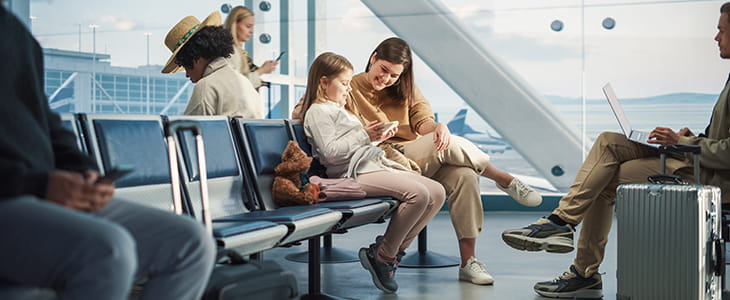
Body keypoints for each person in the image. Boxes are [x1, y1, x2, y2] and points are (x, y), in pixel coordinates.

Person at [500, 3, 730, 298]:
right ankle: (564, 231)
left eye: (721, 30)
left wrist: (683, 143)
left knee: (605, 177)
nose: (715, 38)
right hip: (700, 163)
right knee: (609, 142)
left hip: (713, 180)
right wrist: (690, 137)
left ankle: (573, 251)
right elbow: (720, 138)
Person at [0, 5, 216, 300]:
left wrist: (85, 172)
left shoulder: (16, 35)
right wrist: (38, 185)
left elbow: (45, 122)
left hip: (42, 189)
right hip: (14, 192)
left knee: (192, 242)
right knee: (107, 250)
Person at [294, 37, 542, 284]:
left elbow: (423, 122)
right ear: (373, 59)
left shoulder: (406, 88)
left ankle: (468, 262)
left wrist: (439, 126)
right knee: (442, 150)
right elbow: (314, 105)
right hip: (387, 156)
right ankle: (503, 179)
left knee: (464, 174)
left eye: (394, 75)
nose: (387, 79)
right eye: (383, 70)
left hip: (402, 157)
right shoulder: (349, 86)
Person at [301, 52, 446, 293]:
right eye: (344, 84)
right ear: (324, 82)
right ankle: (384, 257)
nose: (349, 90)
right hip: (351, 173)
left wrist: (375, 138)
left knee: (437, 192)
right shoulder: (318, 112)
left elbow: (354, 144)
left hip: (370, 165)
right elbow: (329, 153)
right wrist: (365, 135)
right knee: (419, 195)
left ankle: (390, 252)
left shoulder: (340, 111)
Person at [163, 11, 263, 118]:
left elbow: (189, 131)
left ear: (195, 57)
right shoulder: (245, 83)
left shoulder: (206, 86)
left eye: (185, 65)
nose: (187, 74)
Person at [223, 6, 279, 90]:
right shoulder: (230, 52)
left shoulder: (237, 51)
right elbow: (236, 85)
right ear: (234, 24)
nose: (251, 31)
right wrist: (262, 70)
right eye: (248, 26)